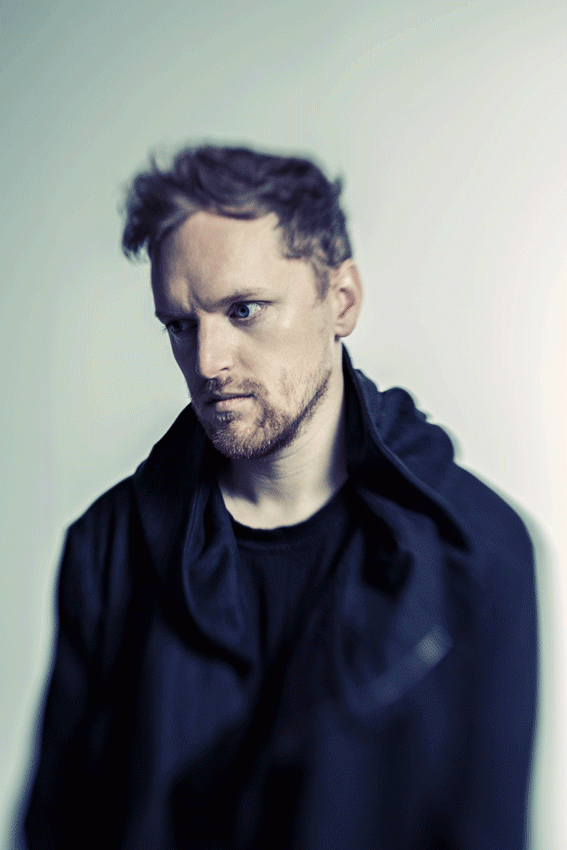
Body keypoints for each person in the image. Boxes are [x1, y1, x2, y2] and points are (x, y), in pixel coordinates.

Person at [22, 145, 537, 849]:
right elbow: (57, 825)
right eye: (180, 324)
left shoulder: (478, 551)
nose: (207, 362)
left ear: (341, 301)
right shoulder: (107, 549)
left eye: (244, 309)